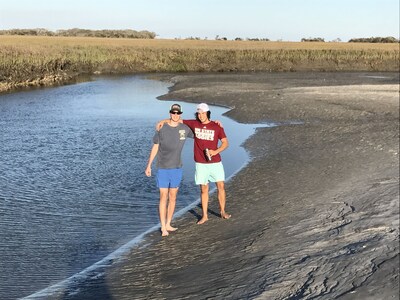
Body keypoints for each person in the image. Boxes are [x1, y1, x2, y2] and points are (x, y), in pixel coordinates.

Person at [158, 103, 231, 224]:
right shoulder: (194, 124)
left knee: (221, 186)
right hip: (201, 163)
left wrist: (215, 151)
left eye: (203, 113)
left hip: (215, 162)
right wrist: (162, 121)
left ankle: (222, 211)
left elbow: (225, 143)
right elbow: (176, 119)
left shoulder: (216, 126)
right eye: (199, 113)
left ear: (207, 113)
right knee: (203, 189)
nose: (201, 116)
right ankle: (205, 215)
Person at [145, 103, 193, 236]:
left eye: (178, 113)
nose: (175, 115)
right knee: (163, 196)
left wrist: (216, 124)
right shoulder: (162, 128)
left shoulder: (185, 128)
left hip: (177, 168)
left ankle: (168, 224)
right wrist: (148, 165)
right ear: (170, 113)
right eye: (173, 112)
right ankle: (163, 227)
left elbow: (199, 130)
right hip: (163, 168)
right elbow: (155, 147)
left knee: (173, 197)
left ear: (180, 114)